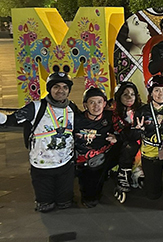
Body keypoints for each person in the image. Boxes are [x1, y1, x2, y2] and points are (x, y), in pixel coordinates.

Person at [0, 72, 78, 212]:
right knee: (45, 205)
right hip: (42, 165)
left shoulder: (71, 107)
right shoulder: (36, 107)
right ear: (49, 89)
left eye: (65, 87)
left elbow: (82, 123)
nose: (61, 90)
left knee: (65, 203)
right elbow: (11, 120)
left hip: (65, 163)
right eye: (56, 86)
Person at [73, 88, 116, 207]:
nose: (96, 106)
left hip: (102, 158)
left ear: (104, 104)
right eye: (92, 102)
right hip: (80, 159)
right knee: (88, 197)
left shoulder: (111, 118)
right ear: (85, 105)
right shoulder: (76, 119)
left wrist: (117, 138)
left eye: (99, 102)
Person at [112, 82, 144, 199]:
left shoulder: (141, 110)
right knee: (130, 145)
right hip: (121, 145)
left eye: (132, 94)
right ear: (119, 97)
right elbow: (121, 133)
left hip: (140, 146)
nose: (129, 97)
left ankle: (137, 172)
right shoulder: (114, 113)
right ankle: (123, 172)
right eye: (125, 94)